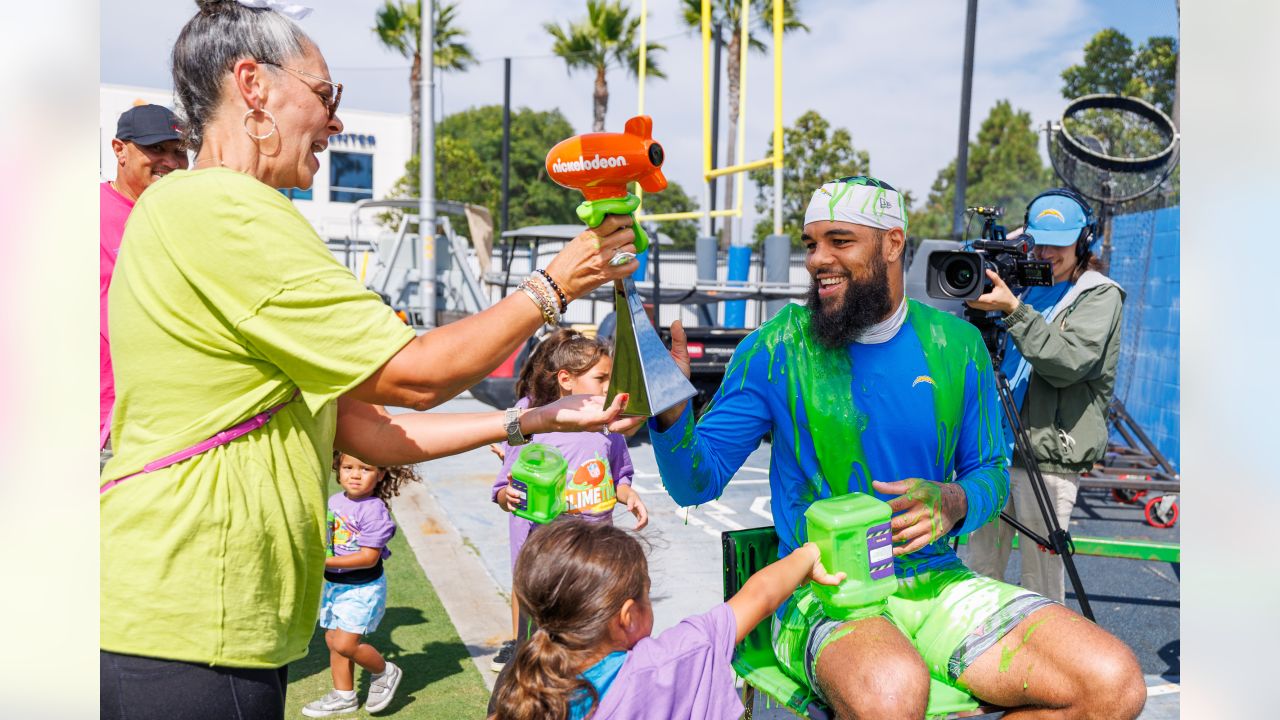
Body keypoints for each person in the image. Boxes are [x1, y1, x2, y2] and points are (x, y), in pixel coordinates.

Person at [99, 2, 641, 718]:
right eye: (327, 96)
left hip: (196, 613)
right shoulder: (223, 208)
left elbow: (369, 430)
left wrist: (529, 421)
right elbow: (413, 374)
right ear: (252, 86)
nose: (334, 122)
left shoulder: (197, 211)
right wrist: (554, 285)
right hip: (193, 609)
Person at [649, 176, 1145, 719]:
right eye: (811, 243)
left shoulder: (957, 345)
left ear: (892, 243)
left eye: (840, 241)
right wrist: (672, 413)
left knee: (1112, 683)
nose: (818, 259)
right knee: (892, 690)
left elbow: (991, 472)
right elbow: (694, 484)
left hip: (937, 582)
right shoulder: (776, 346)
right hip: (820, 594)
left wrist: (954, 501)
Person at [489, 516, 846, 720]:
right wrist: (809, 554)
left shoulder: (521, 678)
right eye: (646, 593)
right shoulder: (667, 662)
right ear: (627, 617)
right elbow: (760, 596)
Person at [965, 189, 1126, 604]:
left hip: (1048, 457)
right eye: (1040, 240)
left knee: (1040, 585)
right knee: (981, 574)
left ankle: (1044, 667)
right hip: (995, 453)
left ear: (1084, 240)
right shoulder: (1020, 283)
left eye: (1061, 242)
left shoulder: (1098, 293)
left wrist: (1014, 310)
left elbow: (1069, 360)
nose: (1049, 252)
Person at [490, 329, 649, 672]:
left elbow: (618, 475)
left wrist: (629, 495)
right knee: (542, 639)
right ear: (566, 380)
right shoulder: (533, 428)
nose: (608, 387)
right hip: (551, 558)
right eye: (600, 378)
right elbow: (502, 488)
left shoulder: (608, 429)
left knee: (590, 633)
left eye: (610, 378)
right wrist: (509, 495)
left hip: (594, 555)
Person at [302, 453, 417, 717]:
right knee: (332, 640)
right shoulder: (335, 501)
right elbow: (330, 540)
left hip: (362, 588)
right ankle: (344, 696)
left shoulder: (374, 510)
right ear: (338, 470)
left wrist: (321, 561)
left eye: (365, 468)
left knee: (345, 644)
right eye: (348, 467)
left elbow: (368, 557)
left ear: (380, 474)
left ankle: (384, 671)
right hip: (335, 585)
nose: (355, 474)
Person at [101, 104, 188, 449]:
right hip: (104, 418)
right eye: (156, 148)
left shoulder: (185, 218)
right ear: (120, 149)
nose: (170, 161)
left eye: (180, 152)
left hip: (167, 420)